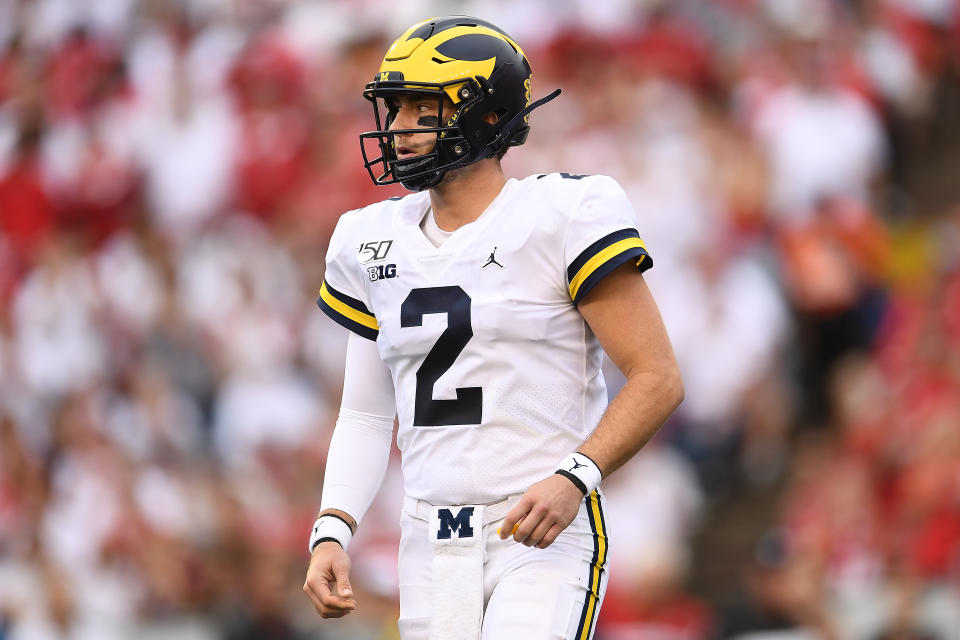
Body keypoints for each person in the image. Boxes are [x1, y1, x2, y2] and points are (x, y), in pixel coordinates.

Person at [302, 15, 683, 640]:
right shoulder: (366, 239)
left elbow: (658, 377)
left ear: (482, 115)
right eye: (394, 110)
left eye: (421, 109)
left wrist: (575, 477)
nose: (397, 129)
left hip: (538, 525)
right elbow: (367, 414)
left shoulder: (562, 213)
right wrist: (333, 527)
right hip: (429, 536)